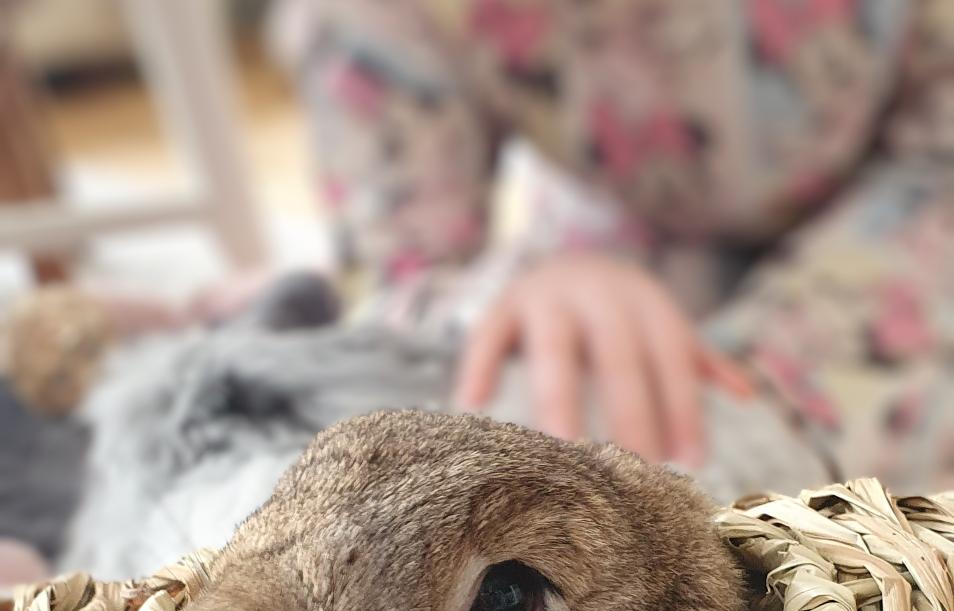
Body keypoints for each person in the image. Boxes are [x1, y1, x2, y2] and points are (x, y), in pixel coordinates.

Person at [266, 0, 954, 493]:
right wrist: (528, 290)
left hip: (903, 218)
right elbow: (396, 269)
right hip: (598, 257)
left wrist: (775, 388)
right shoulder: (371, 18)